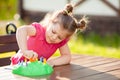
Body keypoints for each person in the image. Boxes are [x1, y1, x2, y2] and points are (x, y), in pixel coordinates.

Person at [11, 4, 89, 67]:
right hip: (18, 66)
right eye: (53, 32)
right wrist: (25, 51)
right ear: (50, 22)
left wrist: (51, 62)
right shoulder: (38, 31)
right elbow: (21, 30)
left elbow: (67, 57)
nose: (54, 37)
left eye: (59, 37)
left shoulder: (60, 41)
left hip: (36, 70)